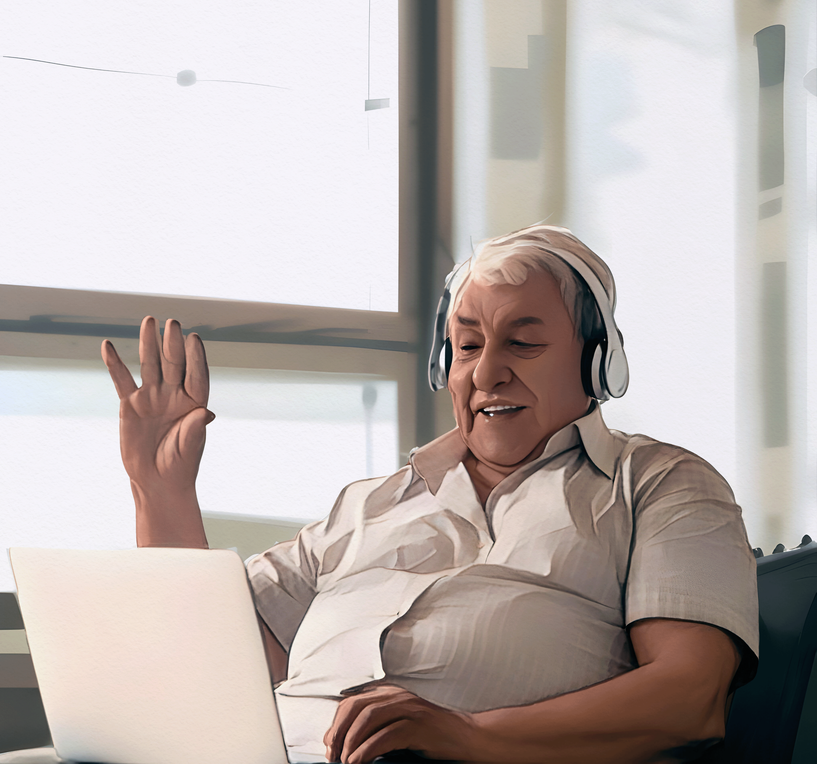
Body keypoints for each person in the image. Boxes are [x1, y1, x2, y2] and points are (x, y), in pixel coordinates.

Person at [102, 224, 759, 764]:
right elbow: (208, 661)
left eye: (523, 343)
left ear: (594, 360)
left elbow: (689, 697)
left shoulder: (657, 484)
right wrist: (160, 491)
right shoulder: (363, 506)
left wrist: (468, 735)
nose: (486, 371)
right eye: (467, 344)